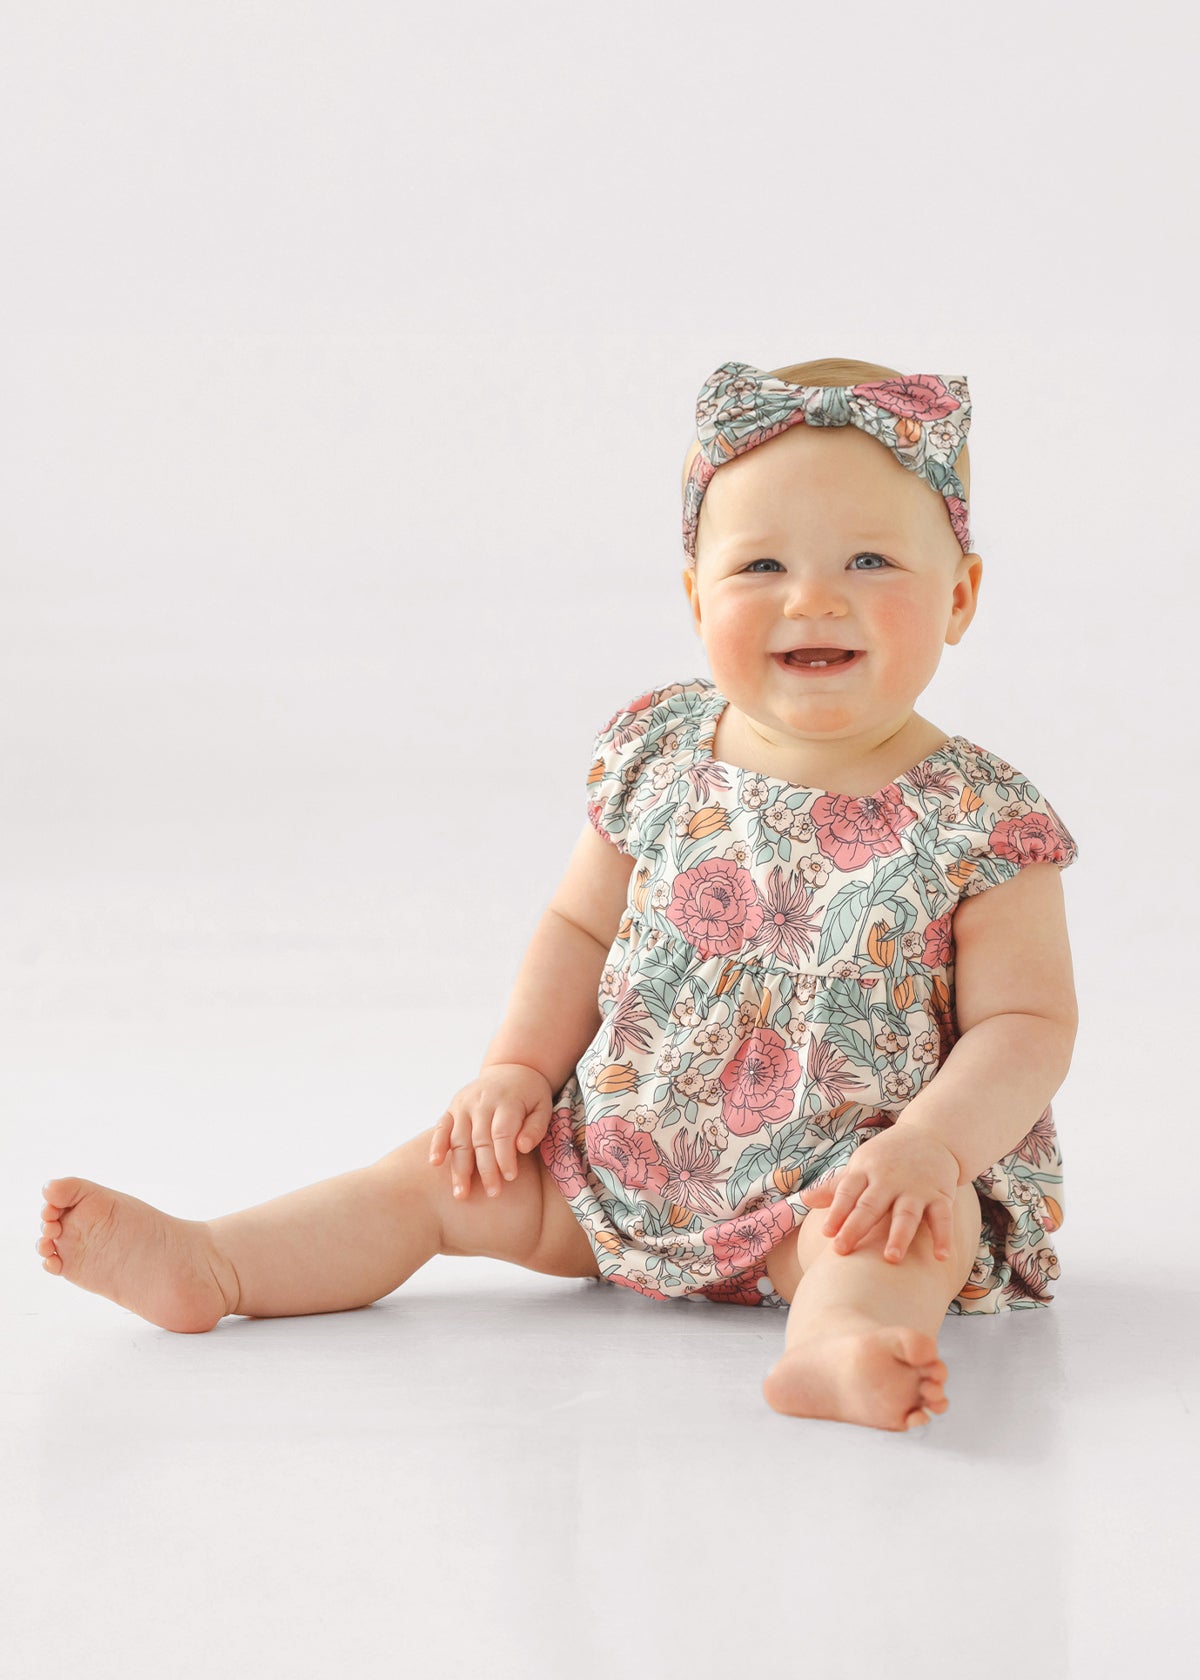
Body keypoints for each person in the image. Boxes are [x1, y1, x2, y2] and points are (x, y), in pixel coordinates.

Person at [35, 354, 1080, 1436]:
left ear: (959, 597)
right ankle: (221, 1261)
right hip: (616, 1160)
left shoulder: (982, 820)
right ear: (693, 597)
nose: (811, 596)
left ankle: (838, 1340)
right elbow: (580, 926)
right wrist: (517, 1070)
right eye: (760, 563)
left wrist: (934, 1147)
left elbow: (1027, 1021)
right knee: (432, 1178)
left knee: (909, 1230)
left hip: (838, 1186)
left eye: (869, 559)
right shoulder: (660, 752)